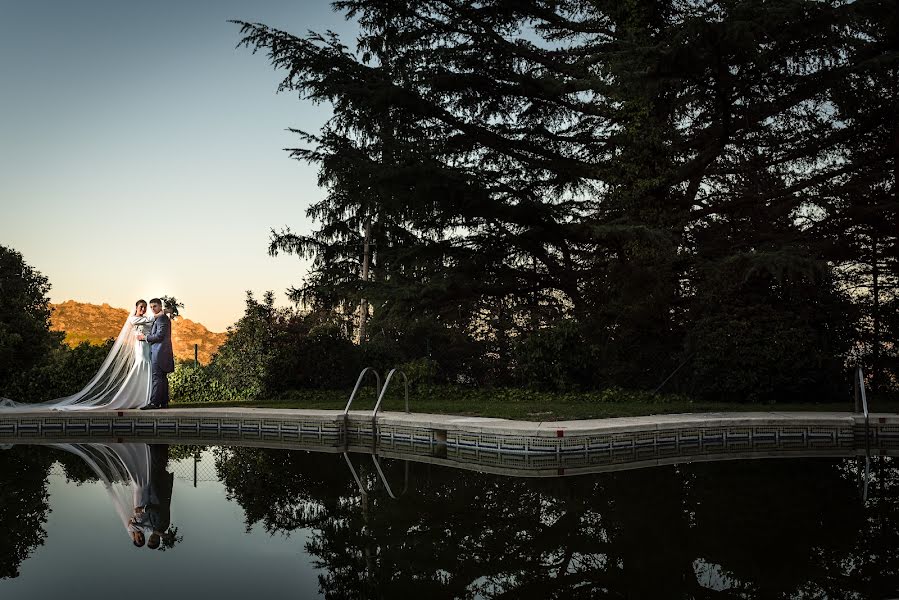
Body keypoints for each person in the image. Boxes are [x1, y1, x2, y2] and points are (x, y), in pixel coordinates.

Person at [0, 299, 156, 410]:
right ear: (136, 308)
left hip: (147, 345)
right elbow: (143, 321)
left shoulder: (146, 319)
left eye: (144, 307)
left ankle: (145, 398)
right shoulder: (134, 318)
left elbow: (151, 324)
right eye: (140, 307)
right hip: (140, 346)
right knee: (141, 364)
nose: (142, 309)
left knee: (147, 367)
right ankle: (130, 398)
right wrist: (158, 315)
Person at [138, 298, 174, 410]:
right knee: (162, 378)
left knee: (157, 377)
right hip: (162, 352)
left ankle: (154, 403)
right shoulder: (161, 318)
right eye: (151, 307)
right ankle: (163, 403)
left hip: (159, 352)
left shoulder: (162, 319)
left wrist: (145, 338)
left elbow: (159, 336)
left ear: (160, 306)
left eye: (155, 306)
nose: (153, 309)